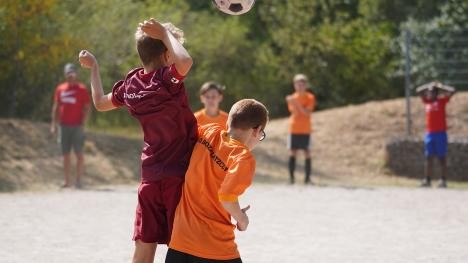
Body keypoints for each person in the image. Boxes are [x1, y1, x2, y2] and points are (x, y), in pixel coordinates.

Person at [78, 18, 197, 263]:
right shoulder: (167, 79)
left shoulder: (132, 85)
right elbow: (185, 61)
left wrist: (94, 68)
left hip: (150, 177)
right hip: (179, 174)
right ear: (167, 55)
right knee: (185, 243)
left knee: (145, 244)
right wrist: (164, 32)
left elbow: (100, 102)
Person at [166, 99, 268, 263]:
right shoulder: (242, 157)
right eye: (261, 135)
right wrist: (242, 219)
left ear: (228, 121)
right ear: (256, 131)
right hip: (215, 247)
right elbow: (227, 197)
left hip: (180, 240)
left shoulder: (209, 132)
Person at [50, 63, 91, 188]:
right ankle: (67, 182)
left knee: (79, 154)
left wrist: (84, 123)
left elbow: (87, 107)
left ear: (76, 74)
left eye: (72, 72)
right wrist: (53, 124)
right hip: (63, 126)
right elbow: (56, 107)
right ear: (65, 74)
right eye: (68, 73)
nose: (70, 75)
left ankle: (78, 181)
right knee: (65, 155)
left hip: (77, 126)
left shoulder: (82, 89)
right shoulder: (60, 89)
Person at [417, 81, 456, 188]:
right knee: (428, 157)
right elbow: (418, 90)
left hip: (440, 133)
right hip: (429, 133)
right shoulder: (427, 102)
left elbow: (453, 90)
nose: (429, 94)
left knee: (441, 158)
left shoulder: (441, 101)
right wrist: (428, 85)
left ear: (436, 93)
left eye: (432, 92)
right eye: (429, 92)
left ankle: (443, 180)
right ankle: (427, 180)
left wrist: (440, 86)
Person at [285, 73, 316, 184]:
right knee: (293, 152)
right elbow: (296, 113)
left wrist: (294, 102)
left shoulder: (310, 97)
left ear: (306, 85)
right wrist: (295, 102)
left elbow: (306, 113)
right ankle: (291, 178)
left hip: (306, 129)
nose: (300, 87)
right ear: (294, 85)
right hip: (294, 128)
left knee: (307, 152)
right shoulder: (293, 97)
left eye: (302, 84)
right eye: (298, 84)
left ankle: (307, 179)